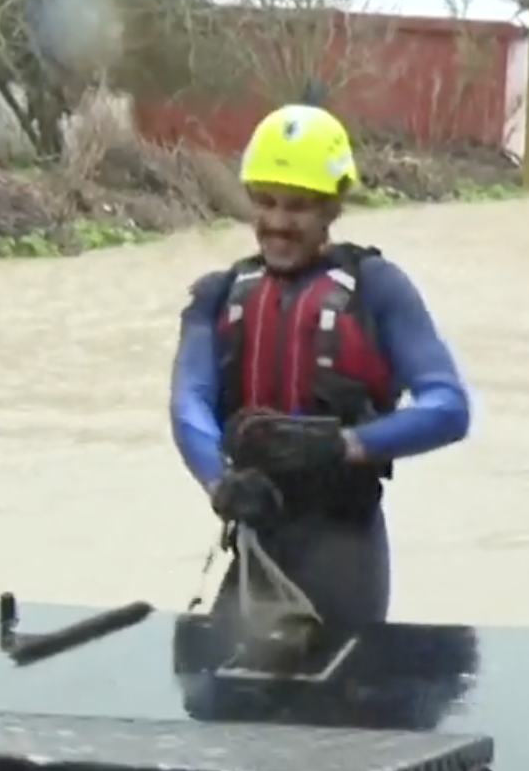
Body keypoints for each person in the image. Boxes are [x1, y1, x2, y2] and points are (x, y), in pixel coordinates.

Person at [170, 104, 471, 633]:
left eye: (298, 207)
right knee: (218, 680)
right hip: (257, 535)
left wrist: (343, 445)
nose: (278, 223)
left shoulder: (378, 288)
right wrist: (220, 482)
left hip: (344, 547)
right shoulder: (218, 294)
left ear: (332, 207)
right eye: (265, 202)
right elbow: (188, 400)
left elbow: (449, 408)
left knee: (334, 682)